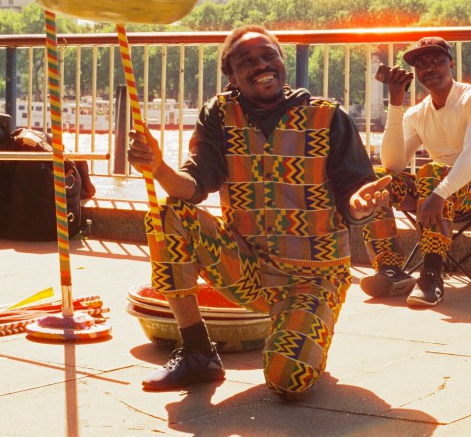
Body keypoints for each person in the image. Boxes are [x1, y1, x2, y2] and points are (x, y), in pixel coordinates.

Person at [128, 25, 392, 400]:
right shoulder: (219, 114)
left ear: (282, 63)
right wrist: (158, 169)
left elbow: (355, 190)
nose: (262, 65)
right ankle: (198, 351)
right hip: (247, 268)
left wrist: (358, 205)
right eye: (247, 61)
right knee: (169, 215)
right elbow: (196, 184)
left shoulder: (327, 116)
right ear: (232, 77)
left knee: (287, 379)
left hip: (313, 279)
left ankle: (301, 334)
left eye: (269, 55)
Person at [359, 37, 471, 307]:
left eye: (437, 61)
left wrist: (440, 192)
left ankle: (431, 274)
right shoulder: (417, 113)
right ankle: (390, 270)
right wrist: (395, 104)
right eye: (422, 64)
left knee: (432, 172)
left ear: (450, 62)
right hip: (439, 191)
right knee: (379, 180)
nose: (430, 69)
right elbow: (394, 165)